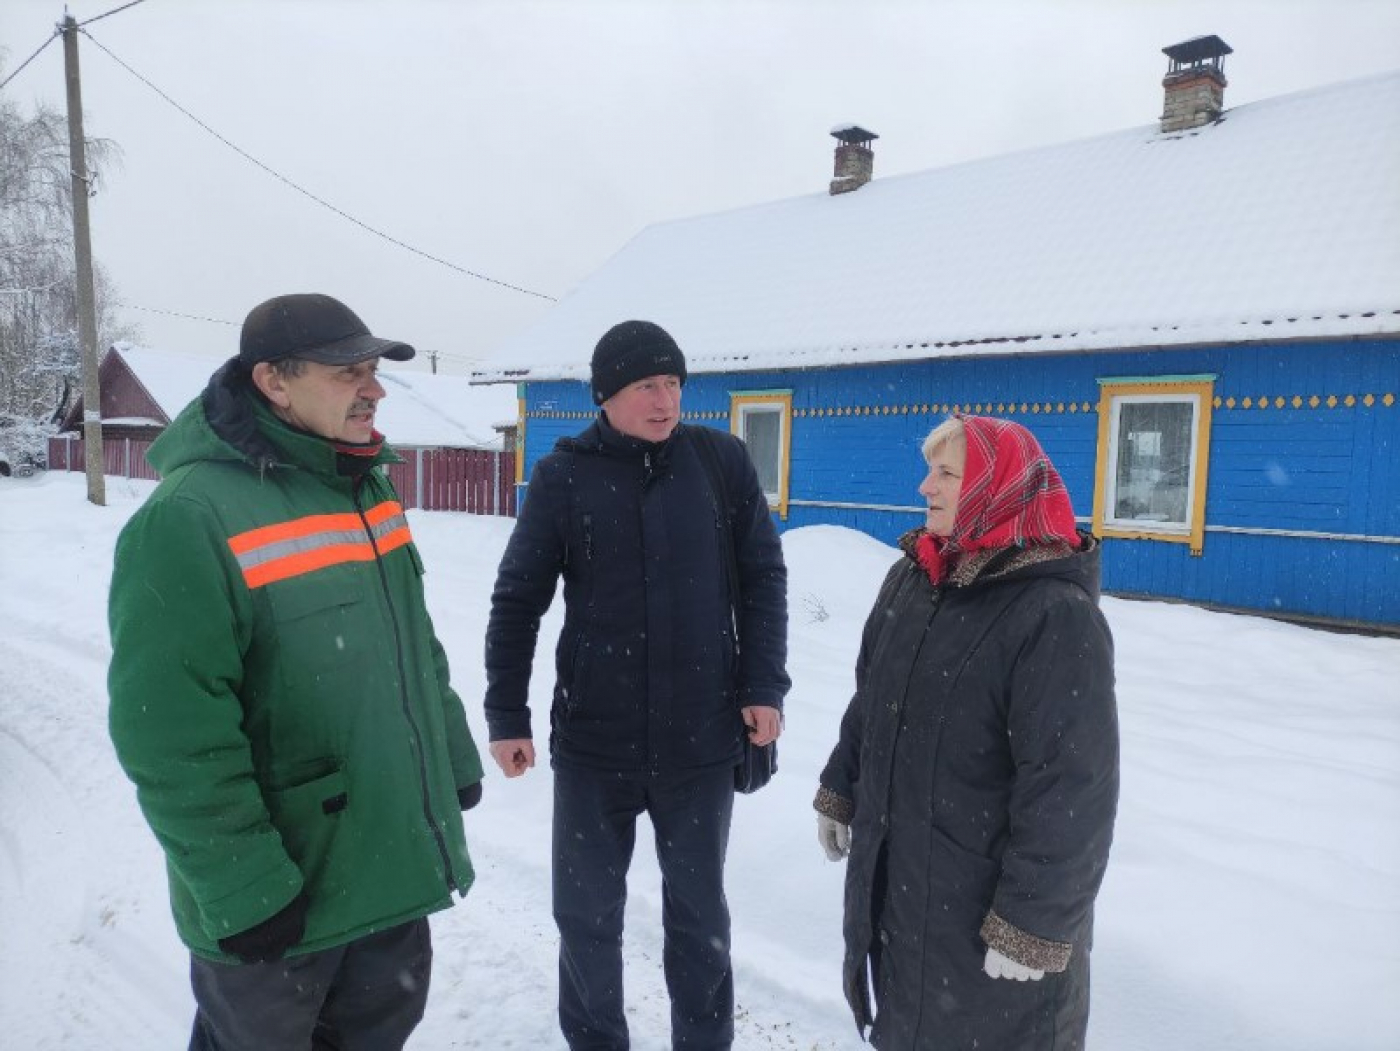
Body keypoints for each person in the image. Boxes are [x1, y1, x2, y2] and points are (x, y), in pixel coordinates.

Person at [108, 293, 484, 1051]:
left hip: (388, 862)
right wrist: (244, 889)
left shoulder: (365, 485)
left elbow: (413, 639)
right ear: (274, 382)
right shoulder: (190, 516)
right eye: (349, 372)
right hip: (284, 895)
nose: (373, 389)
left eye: (373, 371)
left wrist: (451, 758)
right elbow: (171, 738)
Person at [484, 319, 790, 1050]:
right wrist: (506, 713)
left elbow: (763, 579)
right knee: (587, 916)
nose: (666, 399)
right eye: (647, 385)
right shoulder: (565, 476)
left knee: (699, 918)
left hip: (701, 740)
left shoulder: (720, 462)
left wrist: (764, 685)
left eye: (675, 383)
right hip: (596, 743)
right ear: (607, 395)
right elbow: (517, 598)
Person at [813, 414, 1119, 1050]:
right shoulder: (916, 578)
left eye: (947, 473)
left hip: (986, 918)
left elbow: (1071, 787)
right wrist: (841, 786)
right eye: (929, 470)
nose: (925, 486)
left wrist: (1032, 921)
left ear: (997, 487)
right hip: (907, 897)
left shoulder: (1053, 616)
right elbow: (873, 701)